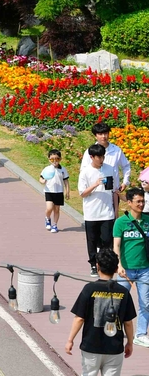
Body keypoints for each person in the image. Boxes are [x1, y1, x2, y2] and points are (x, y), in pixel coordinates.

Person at [66, 248, 136, 371]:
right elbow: (128, 323)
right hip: (114, 348)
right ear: (116, 269)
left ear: (97, 266)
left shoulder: (89, 289)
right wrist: (129, 342)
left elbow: (79, 318)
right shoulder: (124, 292)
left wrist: (70, 340)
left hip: (91, 346)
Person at [114, 187, 149, 348]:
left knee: (146, 303)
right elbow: (117, 245)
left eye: (143, 201)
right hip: (126, 269)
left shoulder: (148, 221)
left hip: (144, 270)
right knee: (118, 302)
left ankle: (140, 334)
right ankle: (115, 331)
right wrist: (118, 265)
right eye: (138, 201)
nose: (141, 204)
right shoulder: (121, 222)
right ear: (129, 203)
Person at [81, 142, 119, 276]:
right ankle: (93, 264)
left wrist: (116, 210)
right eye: (99, 157)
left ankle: (103, 263)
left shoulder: (110, 169)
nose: (101, 160)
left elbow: (114, 191)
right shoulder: (85, 172)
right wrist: (95, 184)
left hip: (107, 212)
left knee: (107, 240)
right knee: (92, 240)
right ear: (92, 157)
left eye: (103, 157)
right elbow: (82, 193)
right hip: (91, 213)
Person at [82, 122, 134, 199]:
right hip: (96, 192)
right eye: (100, 134)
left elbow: (126, 166)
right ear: (95, 135)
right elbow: (84, 170)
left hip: (113, 191)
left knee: (114, 210)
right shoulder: (90, 151)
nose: (103, 136)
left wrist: (125, 182)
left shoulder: (116, 150)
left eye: (105, 133)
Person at [41, 148, 70, 234]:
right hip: (49, 191)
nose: (55, 161)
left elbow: (66, 181)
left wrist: (67, 191)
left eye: (57, 159)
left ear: (60, 159)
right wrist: (43, 181)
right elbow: (41, 178)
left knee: (57, 209)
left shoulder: (63, 169)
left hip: (59, 192)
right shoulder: (47, 169)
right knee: (49, 208)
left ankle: (55, 225)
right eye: (52, 159)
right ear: (49, 159)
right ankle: (47, 218)